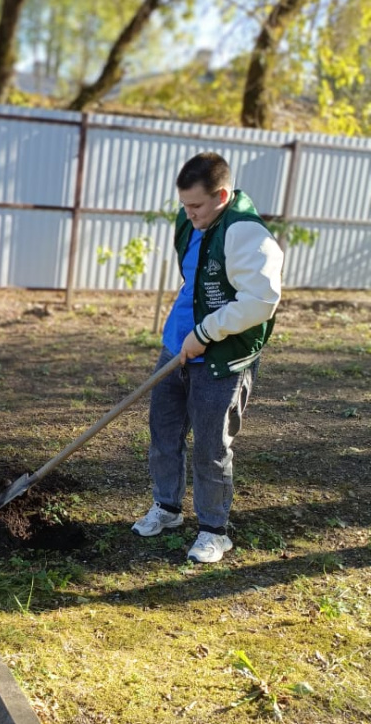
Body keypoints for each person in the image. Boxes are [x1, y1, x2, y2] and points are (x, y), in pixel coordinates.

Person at [132, 152, 283, 563]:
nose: (189, 213)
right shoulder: (191, 220)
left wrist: (206, 333)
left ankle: (214, 530)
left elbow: (262, 301)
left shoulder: (248, 235)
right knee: (163, 436)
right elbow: (192, 280)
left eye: (196, 205)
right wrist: (184, 335)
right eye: (184, 205)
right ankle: (166, 508)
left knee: (211, 448)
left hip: (220, 359)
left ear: (222, 194)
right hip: (176, 346)